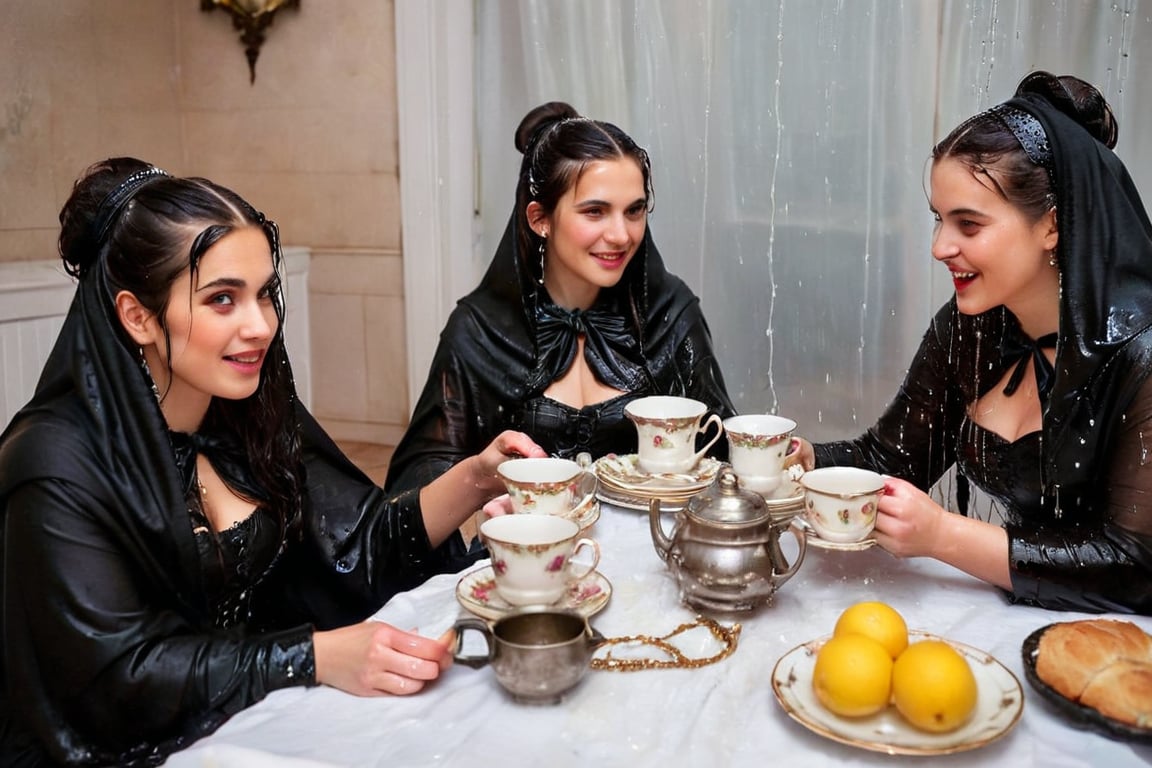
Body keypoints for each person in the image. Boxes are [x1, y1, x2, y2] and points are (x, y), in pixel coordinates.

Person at [0, 158, 545, 766]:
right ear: (138, 316)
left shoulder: (244, 413)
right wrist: (313, 656)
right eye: (222, 299)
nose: (260, 325)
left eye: (264, 294)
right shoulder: (53, 462)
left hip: (255, 715)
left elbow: (356, 548)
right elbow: (116, 678)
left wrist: (477, 475)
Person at [795, 71, 1152, 614]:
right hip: (1015, 623)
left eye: (968, 224)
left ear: (1052, 225)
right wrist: (804, 460)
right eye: (940, 220)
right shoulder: (971, 327)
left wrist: (943, 535)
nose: (940, 246)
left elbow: (1134, 568)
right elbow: (891, 459)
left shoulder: (1140, 357)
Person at [386, 102, 735, 491]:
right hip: (530, 550)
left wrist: (802, 455)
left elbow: (723, 447)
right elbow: (420, 475)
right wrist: (478, 488)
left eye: (634, 211)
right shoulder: (479, 330)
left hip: (658, 546)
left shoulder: (670, 313)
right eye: (595, 212)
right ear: (540, 219)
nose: (622, 235)